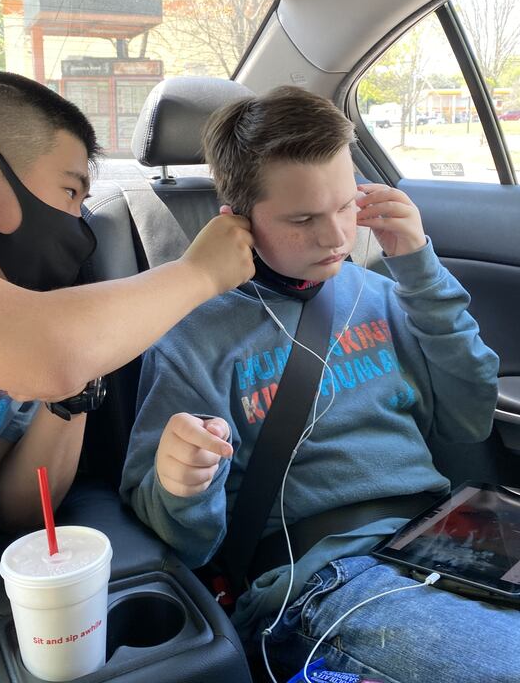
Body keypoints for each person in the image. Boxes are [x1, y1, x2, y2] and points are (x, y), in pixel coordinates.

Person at [120, 86, 519, 683]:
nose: (335, 237)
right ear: (237, 221)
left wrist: (421, 271)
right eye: (303, 219)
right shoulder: (192, 336)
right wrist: (182, 485)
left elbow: (468, 418)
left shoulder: (384, 294)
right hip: (323, 580)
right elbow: (188, 544)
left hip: (449, 534)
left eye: (345, 206)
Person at [0, 71, 254, 683]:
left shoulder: (15, 317)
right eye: (71, 192)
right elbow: (47, 350)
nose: (79, 223)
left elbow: (18, 506)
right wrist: (198, 273)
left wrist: (69, 397)